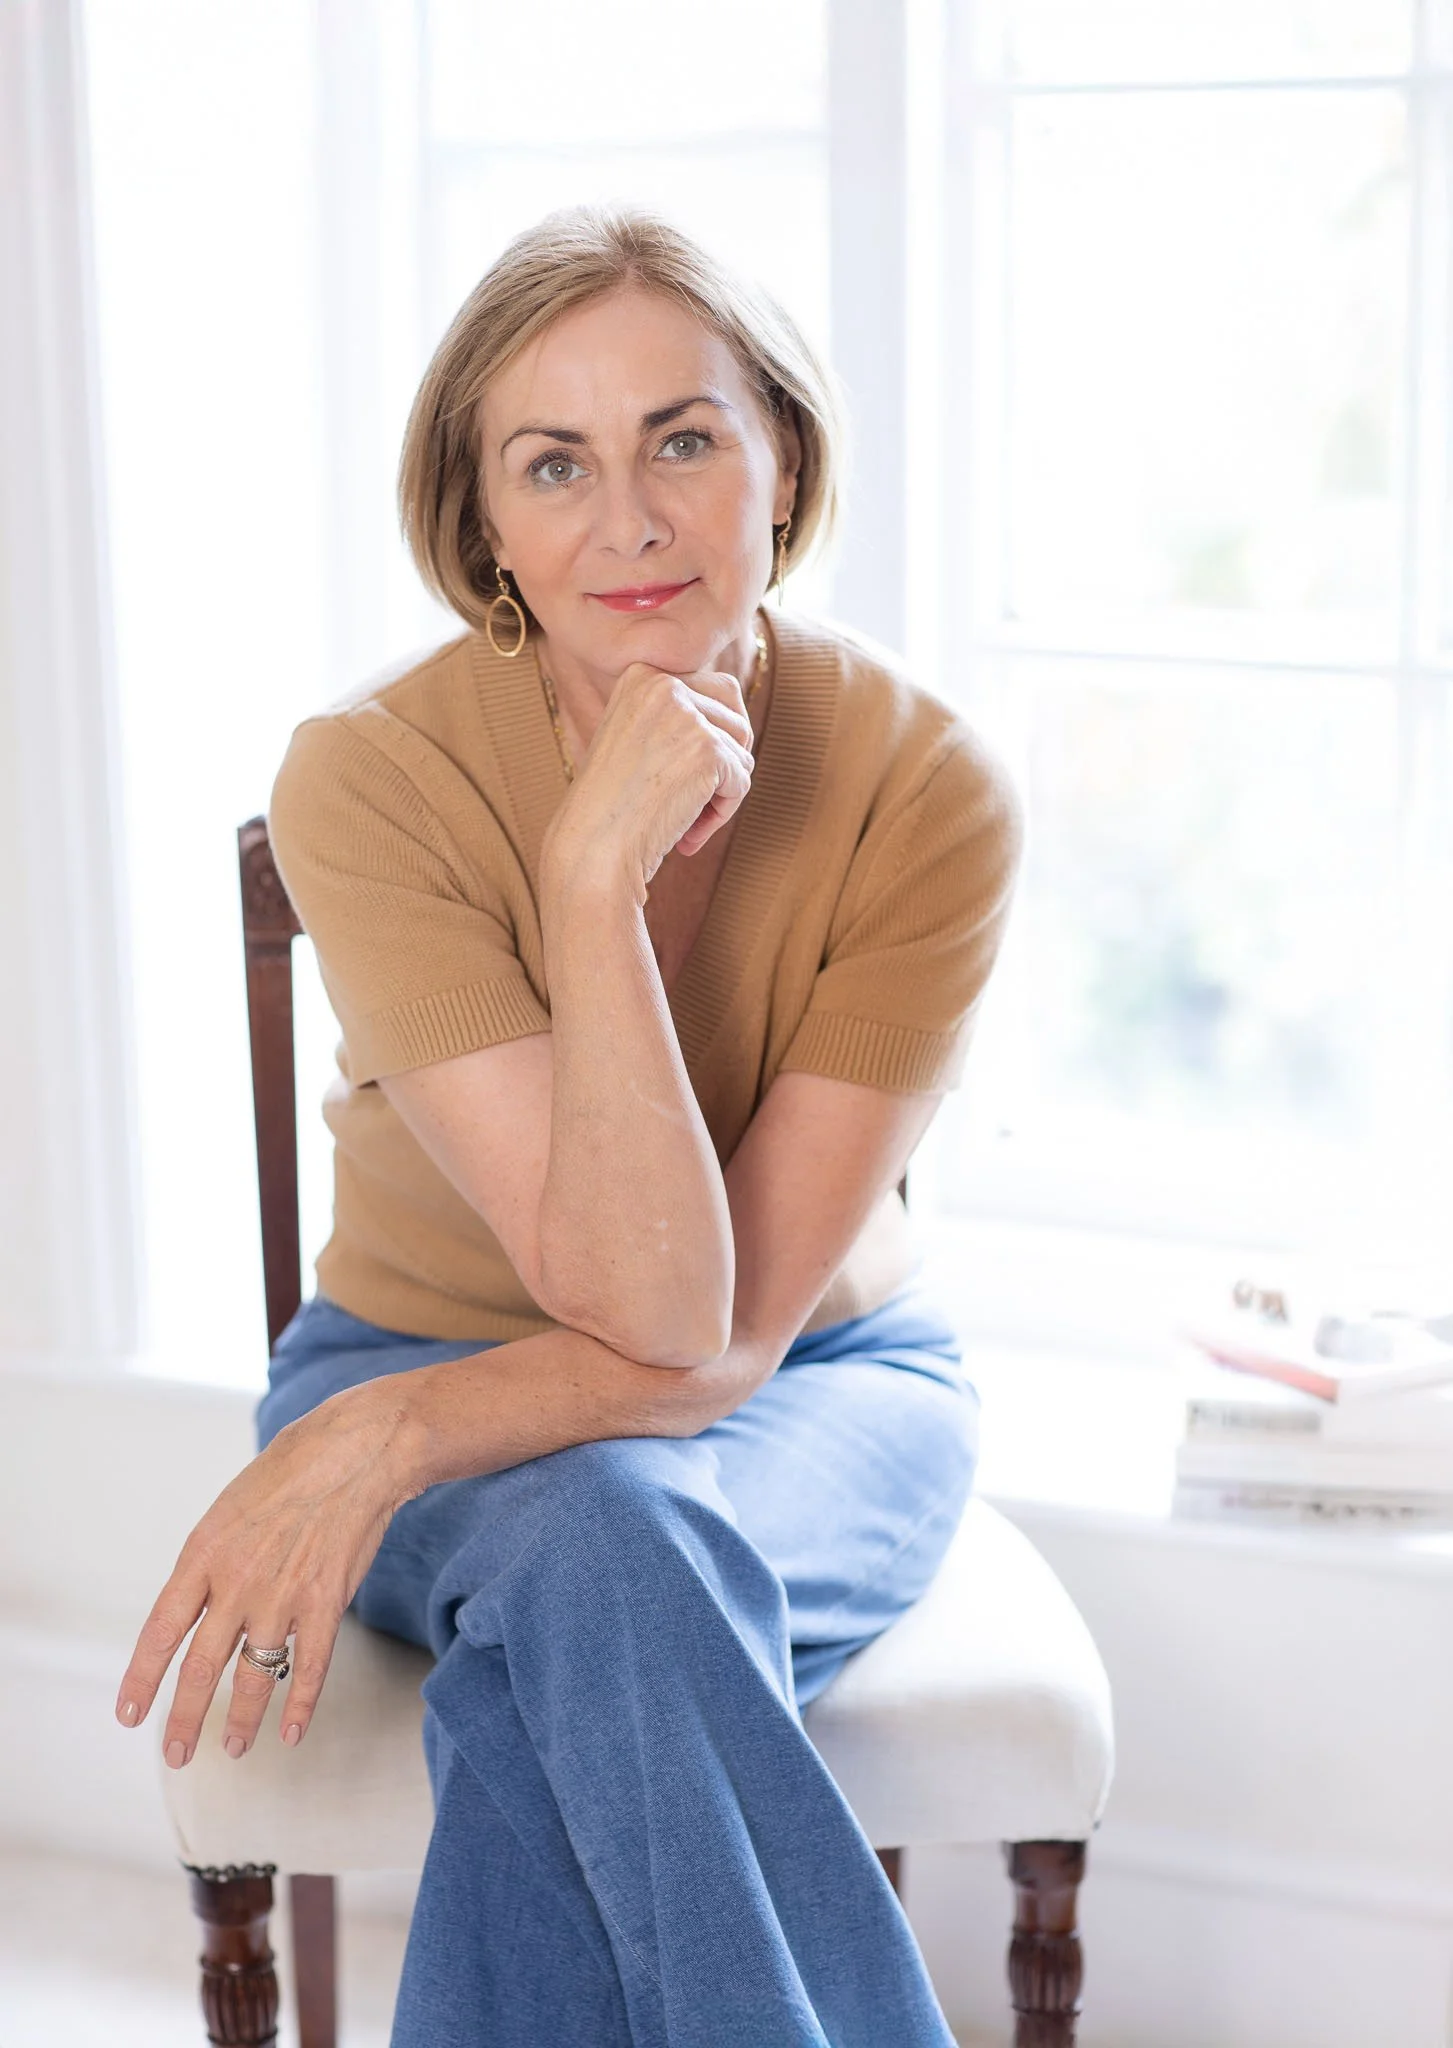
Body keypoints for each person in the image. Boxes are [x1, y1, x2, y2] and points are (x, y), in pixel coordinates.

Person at [115, 204, 1022, 2046]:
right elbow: (606, 1296)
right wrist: (588, 866)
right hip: (412, 1342)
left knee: (585, 1581)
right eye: (555, 464)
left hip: (818, 1386)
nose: (630, 519)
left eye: (684, 438)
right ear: (488, 533)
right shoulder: (372, 774)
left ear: (784, 462)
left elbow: (701, 1333)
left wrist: (386, 1443)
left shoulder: (927, 784)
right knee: (607, 1549)